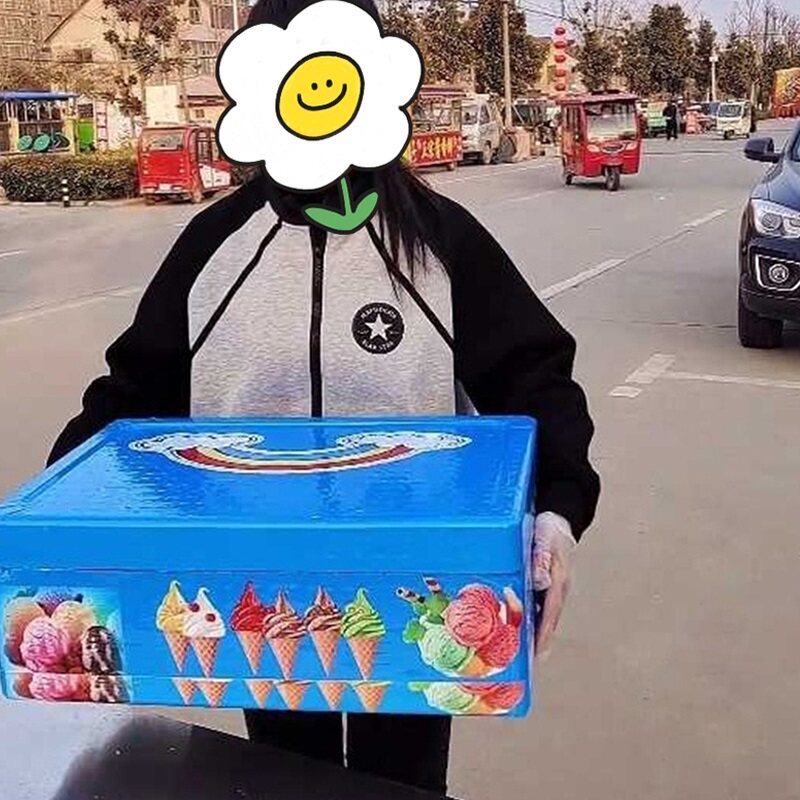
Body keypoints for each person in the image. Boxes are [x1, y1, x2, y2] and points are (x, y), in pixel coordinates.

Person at [47, 0, 600, 793]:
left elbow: (536, 377)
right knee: (282, 775)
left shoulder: (439, 240)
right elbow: (128, 400)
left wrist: (558, 510)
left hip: (413, 588)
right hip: (252, 589)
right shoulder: (214, 246)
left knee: (401, 781)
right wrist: (47, 523)